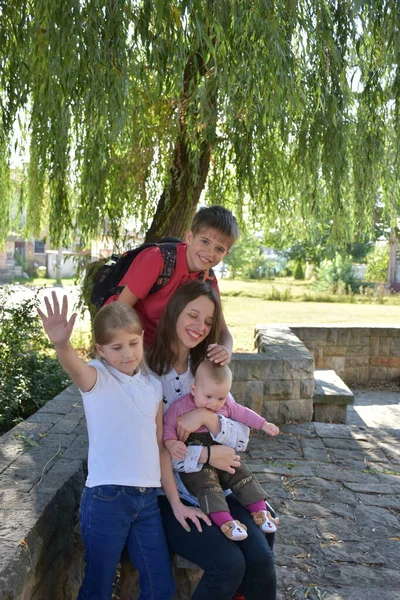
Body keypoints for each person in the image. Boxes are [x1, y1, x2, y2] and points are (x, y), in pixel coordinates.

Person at [37, 292, 209, 600]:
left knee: (160, 588)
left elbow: (160, 448)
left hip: (146, 503)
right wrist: (61, 344)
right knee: (98, 587)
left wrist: (176, 503)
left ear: (143, 338)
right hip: (106, 499)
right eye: (116, 348)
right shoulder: (97, 378)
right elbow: (74, 367)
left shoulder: (153, 386)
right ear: (101, 350)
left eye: (133, 343)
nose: (127, 353)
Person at [147, 280, 277, 600]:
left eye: (208, 321)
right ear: (175, 311)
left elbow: (242, 439)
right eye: (193, 315)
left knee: (261, 552)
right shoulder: (149, 372)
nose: (200, 326)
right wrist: (206, 457)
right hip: (171, 495)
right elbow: (157, 449)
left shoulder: (207, 368)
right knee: (229, 565)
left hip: (221, 486)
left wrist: (206, 418)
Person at [163, 360, 280, 541]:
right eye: (208, 397)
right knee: (208, 485)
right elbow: (168, 424)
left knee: (241, 473)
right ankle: (226, 522)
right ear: (194, 390)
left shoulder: (225, 406)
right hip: (197, 462)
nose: (215, 404)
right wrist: (171, 442)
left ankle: (261, 513)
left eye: (220, 398)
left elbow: (244, 413)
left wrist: (263, 424)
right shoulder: (180, 406)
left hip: (223, 456)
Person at [106, 204, 239, 359]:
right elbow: (119, 311)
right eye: (205, 241)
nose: (210, 252)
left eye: (219, 249)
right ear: (190, 237)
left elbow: (222, 331)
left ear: (226, 253)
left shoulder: (208, 279)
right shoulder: (158, 259)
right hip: (124, 340)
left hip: (161, 349)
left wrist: (225, 350)